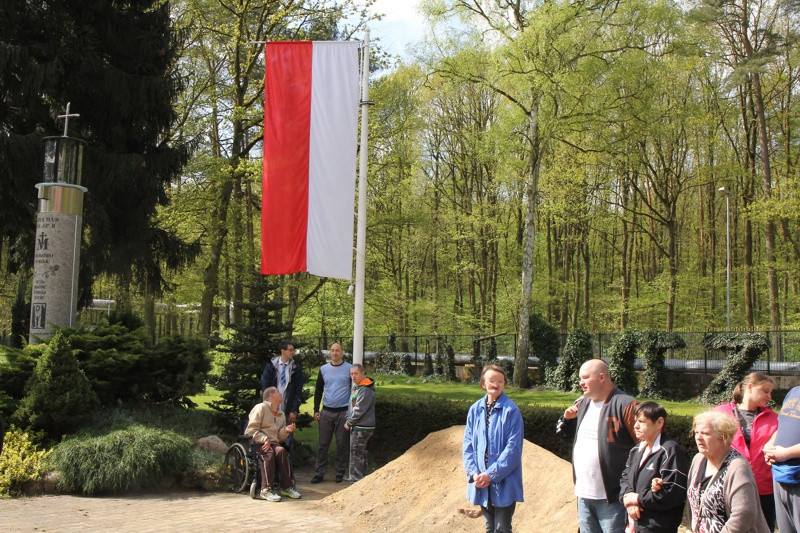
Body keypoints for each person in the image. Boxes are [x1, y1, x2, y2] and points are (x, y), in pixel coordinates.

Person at [557, 358, 638, 533]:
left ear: (602, 377)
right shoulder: (582, 403)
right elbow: (564, 435)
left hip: (613, 498)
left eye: (586, 377)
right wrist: (567, 421)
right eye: (580, 378)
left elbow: (645, 447)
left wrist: (633, 491)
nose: (581, 382)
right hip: (583, 495)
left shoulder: (626, 405)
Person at [463, 364, 523, 533]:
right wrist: (473, 473)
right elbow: (467, 444)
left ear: (504, 384)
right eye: (491, 380)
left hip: (504, 482)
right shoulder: (475, 410)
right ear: (483, 383)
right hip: (481, 482)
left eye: (500, 381)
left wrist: (491, 474)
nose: (495, 384)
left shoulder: (511, 411)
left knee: (501, 528)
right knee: (490, 527)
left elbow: (513, 449)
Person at [686, 410, 769, 532]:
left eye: (705, 433)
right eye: (696, 432)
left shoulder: (737, 467)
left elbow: (745, 514)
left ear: (723, 437)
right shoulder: (698, 460)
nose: (698, 437)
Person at [714, 372, 778, 530]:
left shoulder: (774, 418)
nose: (769, 396)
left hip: (764, 489)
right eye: (765, 391)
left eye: (770, 392)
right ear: (750, 387)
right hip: (728, 485)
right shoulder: (720, 413)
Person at [619, 401, 687, 533]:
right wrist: (629, 499)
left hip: (657, 527)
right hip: (633, 525)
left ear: (659, 423)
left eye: (641, 421)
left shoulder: (670, 451)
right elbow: (625, 478)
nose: (636, 426)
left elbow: (672, 493)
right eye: (635, 421)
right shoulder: (636, 450)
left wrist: (638, 499)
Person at [244, 386, 302, 502]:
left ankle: (287, 487)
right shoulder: (261, 408)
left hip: (273, 443)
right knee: (269, 453)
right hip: (258, 442)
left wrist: (286, 430)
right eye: (278, 392)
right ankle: (265, 490)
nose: (281, 394)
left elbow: (279, 438)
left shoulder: (281, 414)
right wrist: (264, 438)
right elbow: (250, 430)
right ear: (271, 396)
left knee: (281, 451)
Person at [311, 343, 352, 484]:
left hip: (343, 412)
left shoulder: (349, 369)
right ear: (330, 352)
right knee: (323, 444)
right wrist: (316, 409)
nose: (335, 353)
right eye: (333, 350)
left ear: (342, 352)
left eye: (337, 351)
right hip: (327, 411)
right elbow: (318, 390)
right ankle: (319, 473)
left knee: (342, 444)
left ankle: (340, 472)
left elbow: (355, 389)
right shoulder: (324, 369)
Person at [763, 385, 800, 533]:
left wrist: (786, 453)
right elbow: (782, 425)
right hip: (781, 475)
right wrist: (770, 444)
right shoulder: (795, 391)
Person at [344, 363, 375, 482]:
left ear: (362, 373)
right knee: (359, 452)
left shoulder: (365, 389)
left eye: (356, 373)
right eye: (351, 374)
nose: (353, 376)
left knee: (356, 452)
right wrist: (348, 418)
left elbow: (359, 409)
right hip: (358, 425)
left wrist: (349, 422)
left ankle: (356, 479)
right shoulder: (357, 388)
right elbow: (352, 406)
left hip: (362, 427)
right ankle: (360, 478)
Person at [260, 341, 304, 424]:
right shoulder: (271, 367)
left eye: (293, 350)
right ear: (283, 351)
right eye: (290, 350)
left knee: (286, 431)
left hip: (287, 409)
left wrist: (294, 410)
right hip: (272, 408)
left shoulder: (295, 368)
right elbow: (265, 388)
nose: (293, 352)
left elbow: (298, 390)